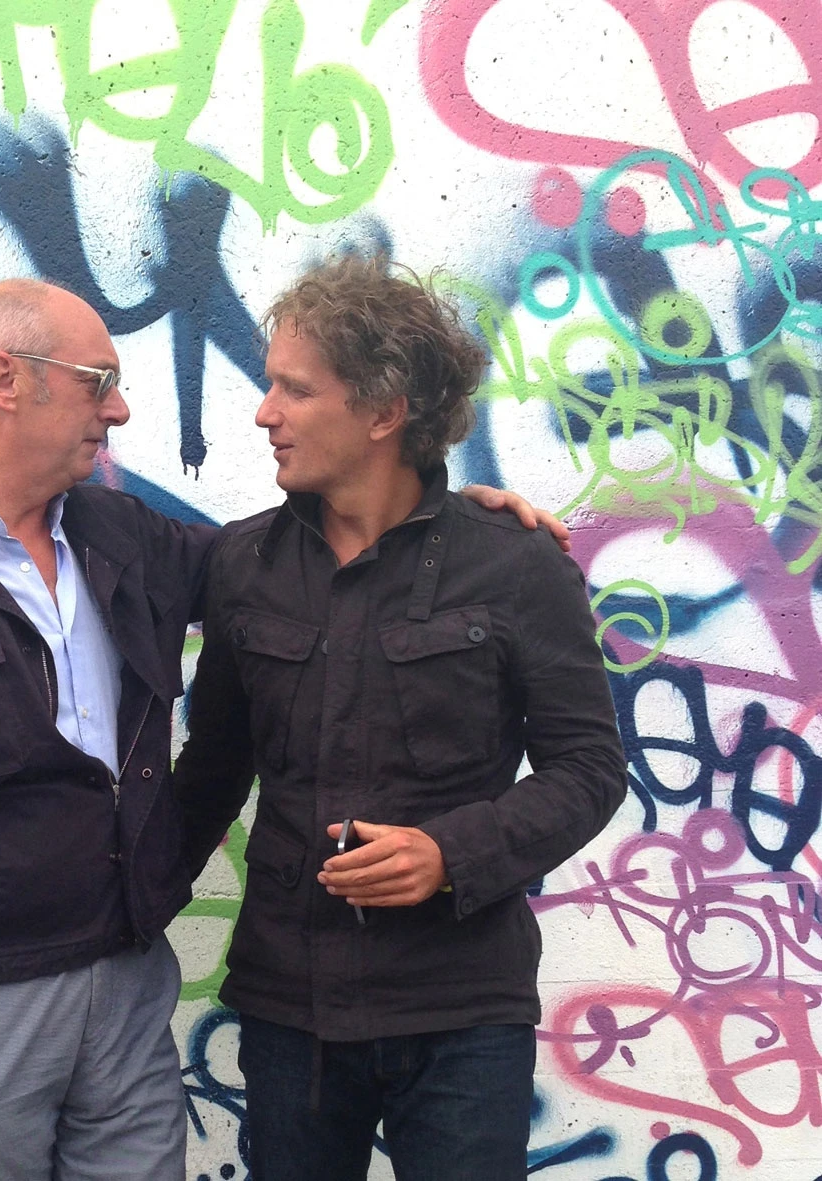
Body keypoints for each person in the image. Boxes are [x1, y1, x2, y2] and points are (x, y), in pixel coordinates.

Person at [0, 275, 565, 1181]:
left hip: (128, 990)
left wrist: (446, 516)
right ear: (6, 379)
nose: (120, 408)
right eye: (98, 381)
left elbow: (316, 566)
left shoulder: (120, 538)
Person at [173, 255, 628, 1181]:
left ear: (383, 412)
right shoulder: (242, 566)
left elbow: (588, 769)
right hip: (290, 1009)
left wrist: (448, 853)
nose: (264, 412)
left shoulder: (516, 565)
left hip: (460, 1008)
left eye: (295, 389)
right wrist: (113, 914)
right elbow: (211, 772)